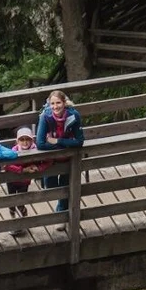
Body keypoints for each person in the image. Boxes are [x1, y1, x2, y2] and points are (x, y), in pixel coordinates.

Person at [34, 90, 84, 230]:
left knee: (66, 185)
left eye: (58, 103)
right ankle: (64, 213)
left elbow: (80, 142)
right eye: (53, 104)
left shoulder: (74, 115)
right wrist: (67, 143)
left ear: (64, 103)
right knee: (50, 187)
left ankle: (64, 217)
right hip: (50, 159)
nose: (55, 107)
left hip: (67, 159)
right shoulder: (45, 116)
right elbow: (40, 144)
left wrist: (57, 140)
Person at [2, 126, 48, 237]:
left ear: (32, 140)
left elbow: (47, 161)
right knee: (11, 202)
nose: (25, 142)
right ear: (17, 141)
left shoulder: (36, 150)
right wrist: (22, 170)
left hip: (24, 181)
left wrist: (39, 168)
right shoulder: (14, 151)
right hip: (12, 180)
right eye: (22, 139)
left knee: (21, 202)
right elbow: (7, 165)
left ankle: (22, 221)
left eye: (27, 139)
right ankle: (14, 223)